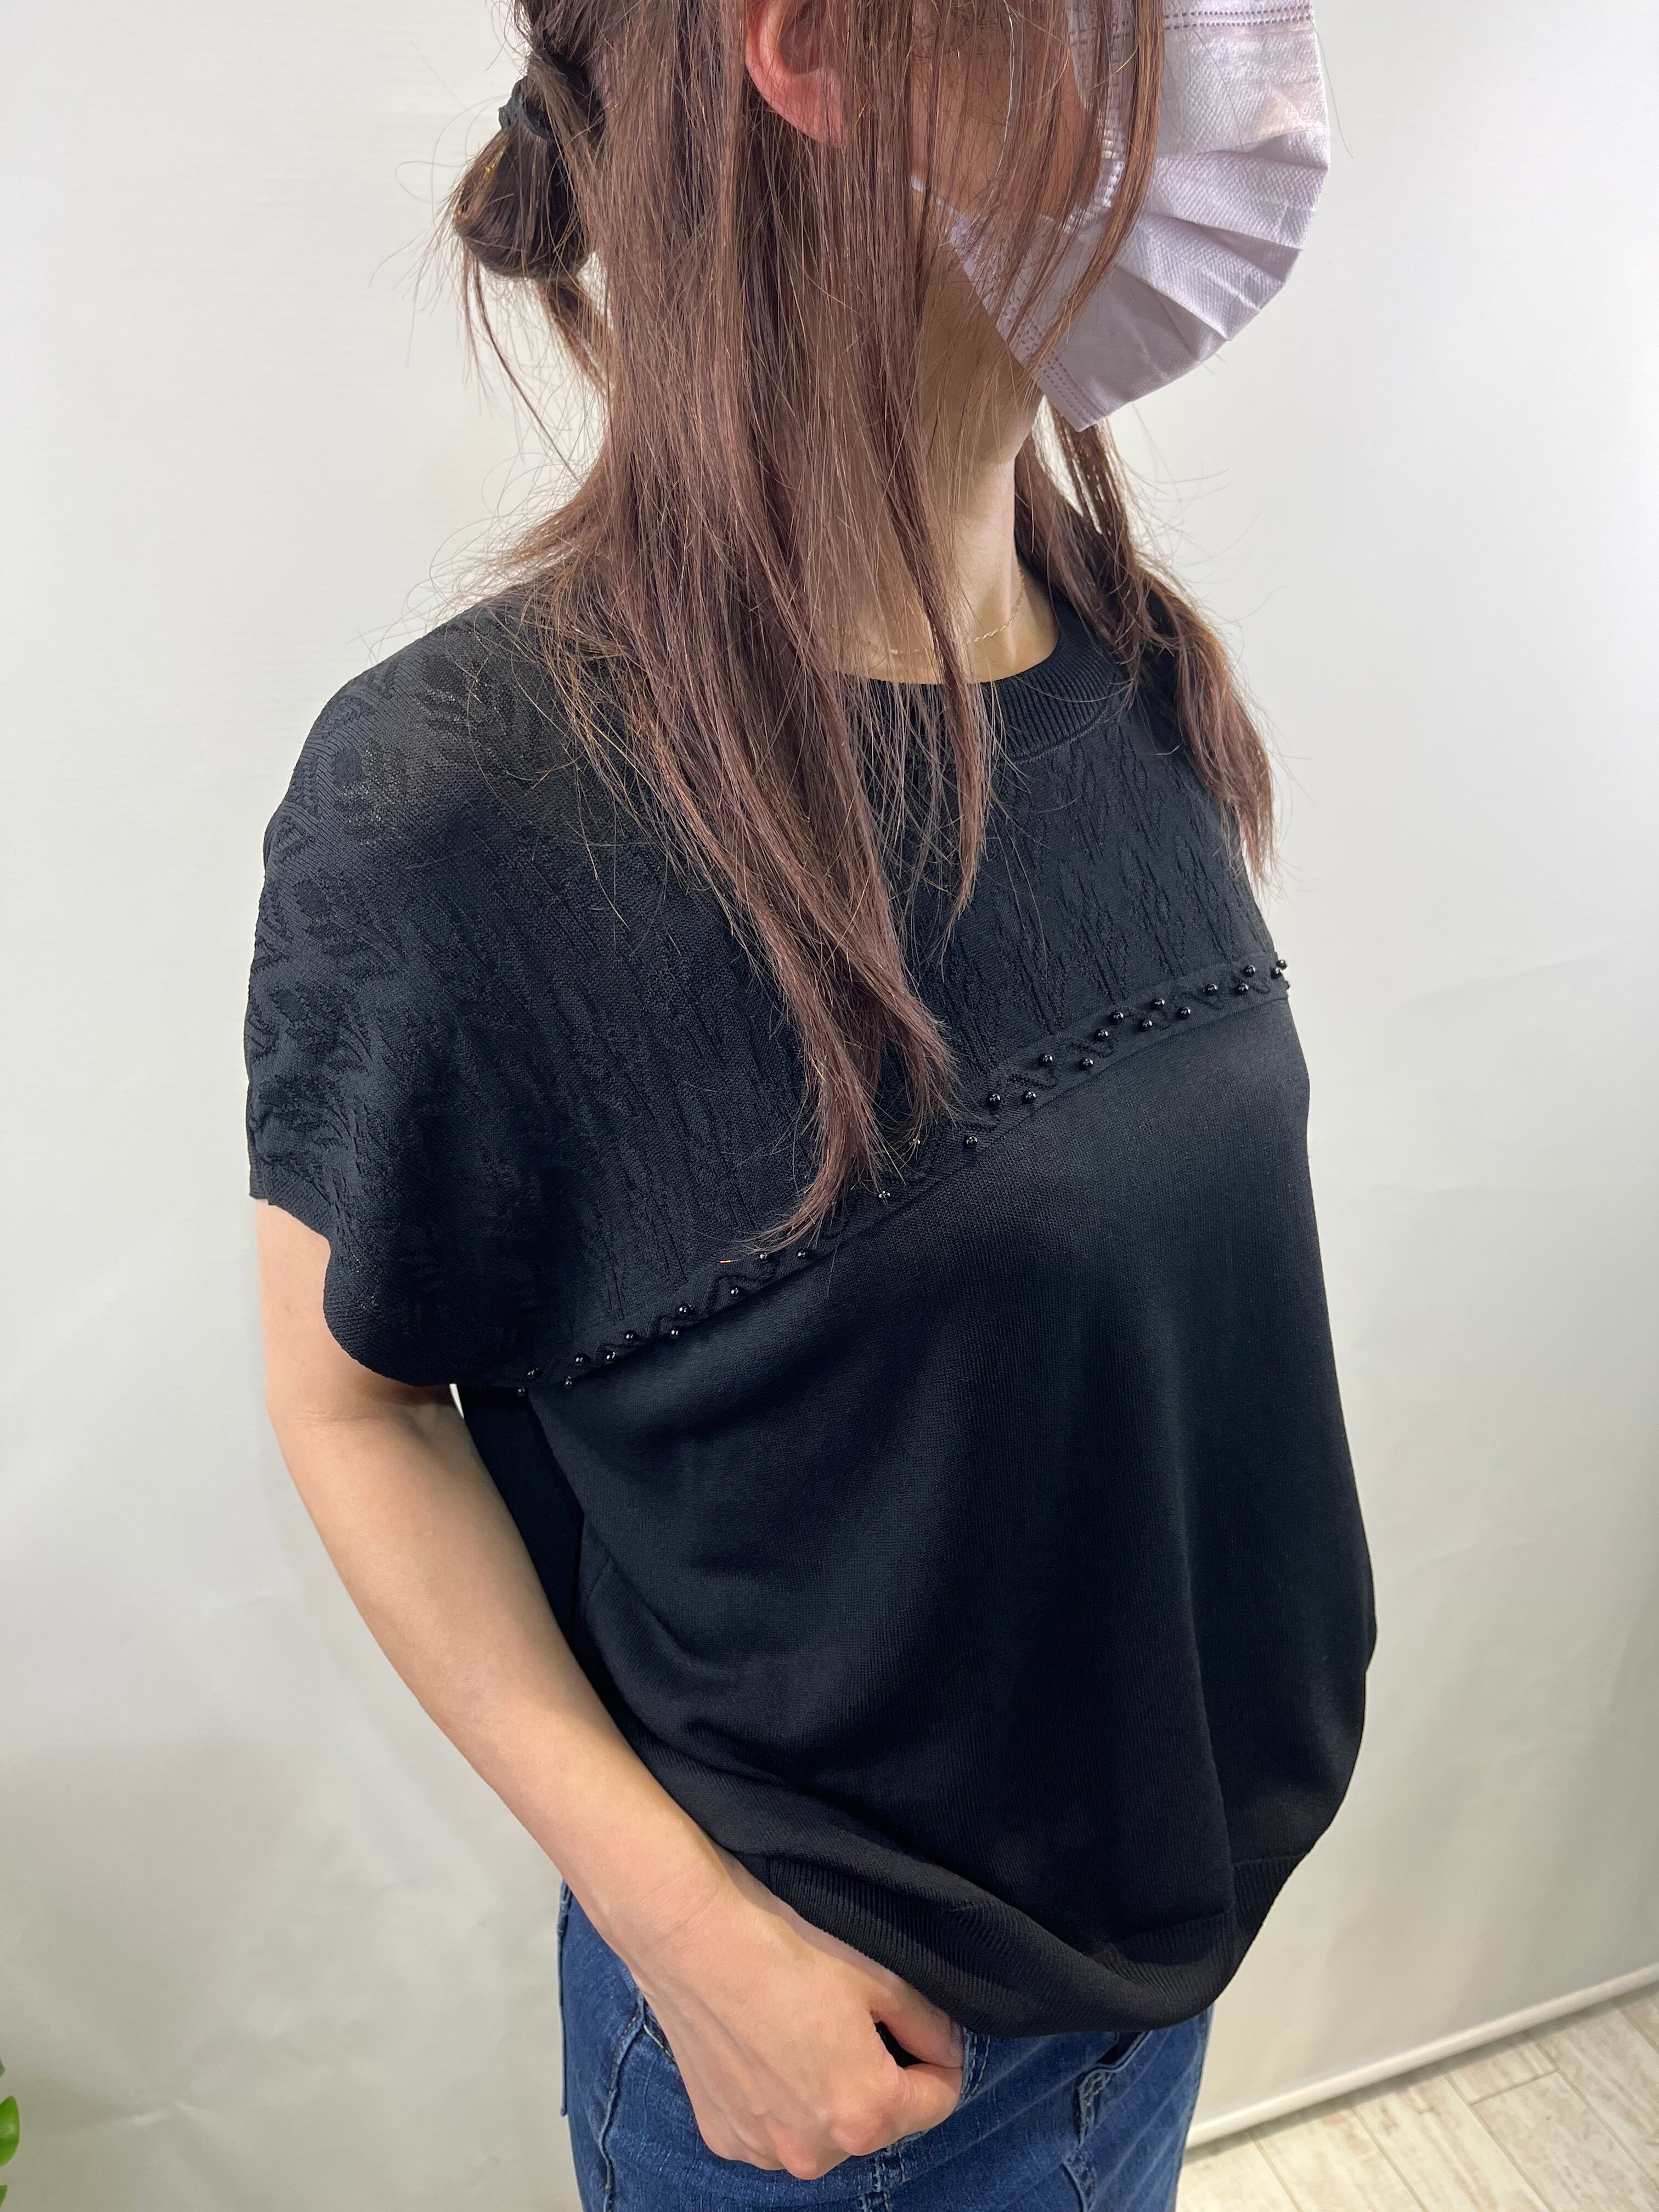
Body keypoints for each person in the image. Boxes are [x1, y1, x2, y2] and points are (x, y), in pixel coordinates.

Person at [245, 0, 1373, 2200]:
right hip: (848, 2094)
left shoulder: (1121, 658)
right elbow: (350, 1399)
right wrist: (691, 1939)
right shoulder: (474, 809)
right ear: (820, 49)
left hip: (1151, 1999)